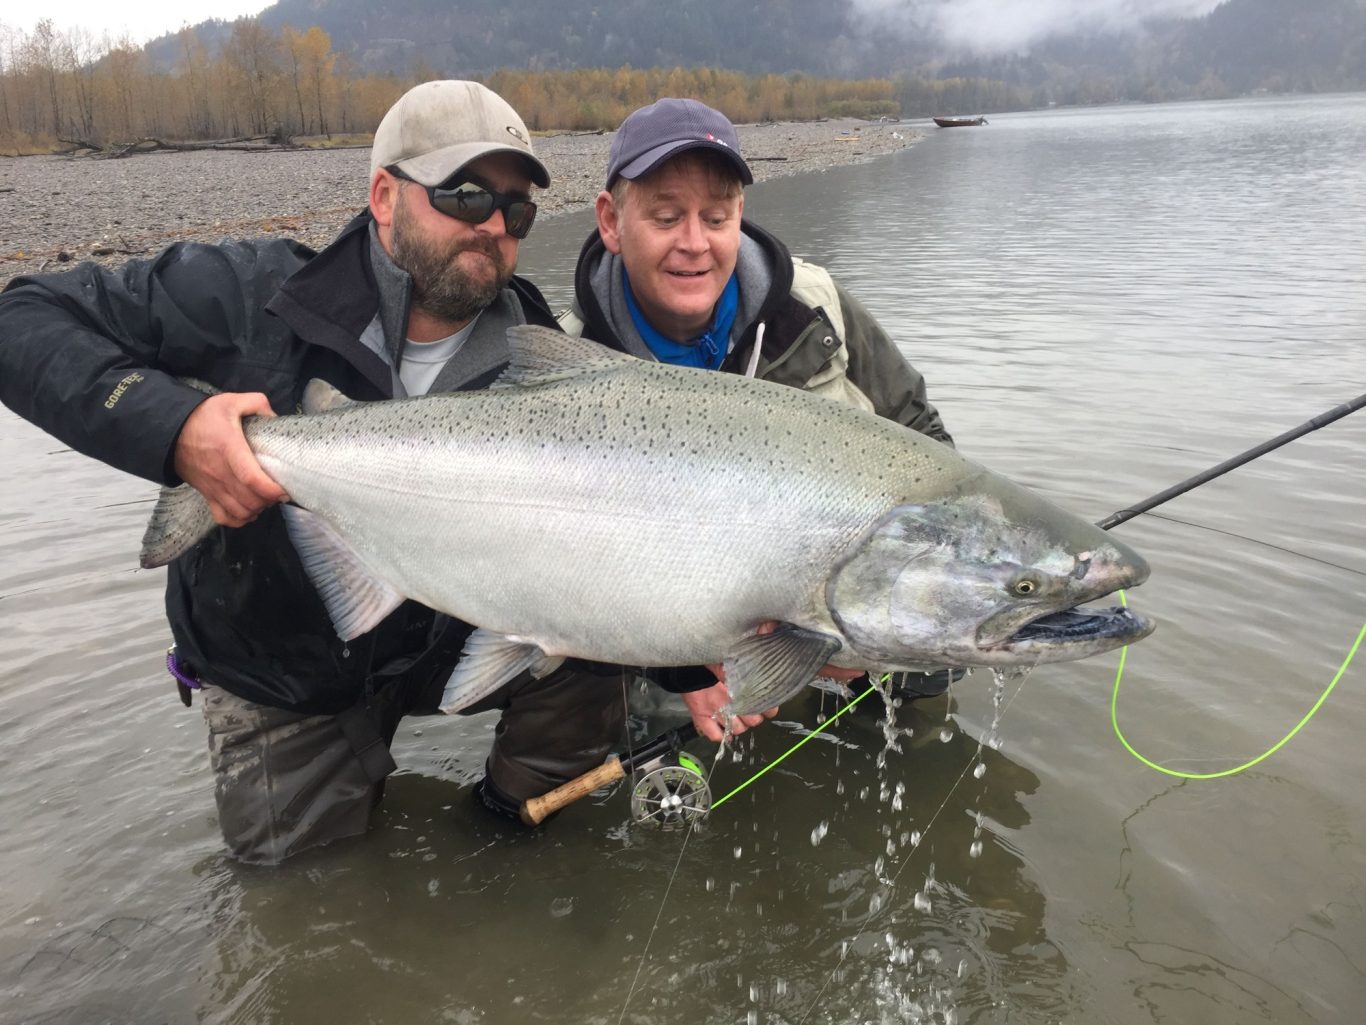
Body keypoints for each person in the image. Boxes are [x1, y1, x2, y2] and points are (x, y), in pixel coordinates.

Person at [0, 80, 626, 861]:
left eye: (516, 209)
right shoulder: (248, 295)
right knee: (303, 902)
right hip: (285, 672)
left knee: (609, 645)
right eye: (465, 195)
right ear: (384, 196)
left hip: (450, 634)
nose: (494, 225)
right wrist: (177, 430)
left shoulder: (541, 352)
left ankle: (503, 829)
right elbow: (19, 318)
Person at [559, 98, 961, 741]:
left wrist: (877, 613)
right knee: (632, 706)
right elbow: (547, 560)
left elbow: (927, 444)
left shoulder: (817, 306)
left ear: (739, 216)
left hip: (826, 601)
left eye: (715, 217)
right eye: (666, 217)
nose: (694, 243)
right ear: (611, 221)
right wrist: (682, 667)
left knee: (932, 663)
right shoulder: (573, 367)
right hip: (673, 633)